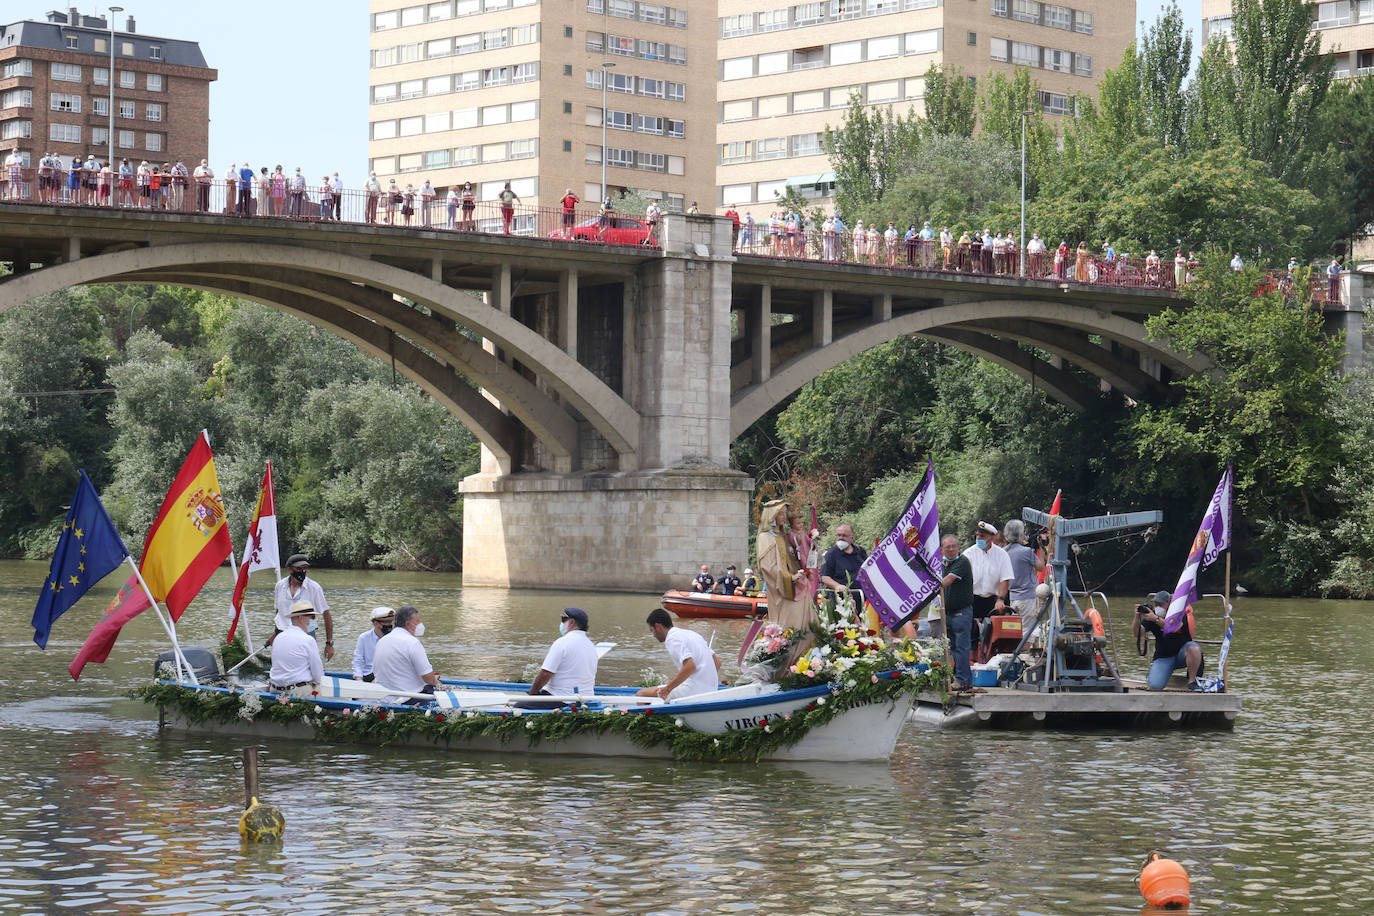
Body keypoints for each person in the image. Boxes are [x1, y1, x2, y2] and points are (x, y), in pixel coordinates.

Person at [755, 500, 816, 663]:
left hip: (796, 584)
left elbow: (795, 556)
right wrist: (789, 578)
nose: (784, 517)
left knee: (808, 624)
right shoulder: (765, 537)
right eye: (780, 513)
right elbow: (768, 567)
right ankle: (789, 666)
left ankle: (807, 663)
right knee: (792, 626)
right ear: (771, 515)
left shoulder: (783, 536)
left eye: (784, 513)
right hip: (783, 589)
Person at [636, 609, 720, 700]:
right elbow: (717, 663)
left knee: (641, 695)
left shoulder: (672, 639)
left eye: (652, 630)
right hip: (711, 690)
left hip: (693, 692)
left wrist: (668, 689)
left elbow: (690, 666)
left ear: (658, 626)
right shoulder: (693, 634)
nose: (653, 635)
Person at [1134, 591, 1204, 690]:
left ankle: (1192, 681)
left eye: (1161, 604)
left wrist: (1156, 619)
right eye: (1156, 604)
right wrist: (1137, 618)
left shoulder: (1179, 614)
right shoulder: (1152, 615)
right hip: (1164, 656)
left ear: (1169, 604)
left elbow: (1173, 627)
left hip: (1182, 654)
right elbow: (1137, 633)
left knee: (1194, 648)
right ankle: (1157, 674)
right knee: (1155, 685)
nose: (1158, 606)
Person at [271, 553, 335, 660]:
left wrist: (329, 643)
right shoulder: (280, 586)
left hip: (307, 634)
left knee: (309, 669)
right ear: (290, 569)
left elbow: (326, 614)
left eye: (304, 568)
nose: (302, 572)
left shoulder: (314, 588)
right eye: (298, 568)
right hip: (283, 634)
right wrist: (275, 634)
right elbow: (278, 612)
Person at [371, 604, 439, 703]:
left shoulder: (382, 641)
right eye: (418, 622)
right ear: (407, 624)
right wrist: (437, 682)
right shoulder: (412, 643)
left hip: (385, 698)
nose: (420, 624)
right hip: (409, 698)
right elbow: (428, 678)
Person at [964, 521, 1013, 656]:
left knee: (995, 635)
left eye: (982, 536)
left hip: (994, 599)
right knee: (970, 634)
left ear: (990, 538)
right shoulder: (968, 554)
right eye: (977, 536)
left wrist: (1001, 599)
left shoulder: (1002, 555)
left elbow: (1005, 579)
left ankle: (993, 661)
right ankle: (971, 663)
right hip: (972, 598)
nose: (978, 539)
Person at [527, 607, 598, 697]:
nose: (561, 623)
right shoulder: (590, 645)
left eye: (564, 619)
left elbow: (546, 673)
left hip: (560, 698)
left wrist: (532, 694)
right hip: (586, 698)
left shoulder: (562, 642)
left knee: (519, 705)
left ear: (572, 623)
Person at [939, 534, 975, 690]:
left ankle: (963, 680)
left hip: (961, 612)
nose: (952, 549)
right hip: (948, 613)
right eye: (948, 547)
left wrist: (927, 582)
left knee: (961, 646)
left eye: (954, 546)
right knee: (953, 647)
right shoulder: (942, 564)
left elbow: (946, 582)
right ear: (942, 549)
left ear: (959, 548)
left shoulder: (962, 562)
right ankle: (956, 678)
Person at [269, 600, 324, 690]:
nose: (314, 621)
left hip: (275, 689)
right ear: (301, 618)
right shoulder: (308, 640)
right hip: (298, 691)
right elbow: (318, 675)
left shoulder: (279, 637)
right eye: (312, 617)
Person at [1002, 520, 1044, 633]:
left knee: (1015, 631)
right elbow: (1040, 567)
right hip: (1028, 598)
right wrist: (1042, 549)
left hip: (1013, 598)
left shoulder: (1003, 552)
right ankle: (1024, 651)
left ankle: (1016, 650)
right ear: (1020, 534)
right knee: (1027, 633)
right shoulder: (1026, 552)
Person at [818, 521, 868, 607]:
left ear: (852, 538)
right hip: (842, 602)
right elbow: (824, 577)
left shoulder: (860, 551)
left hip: (863, 599)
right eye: (838, 535)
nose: (841, 538)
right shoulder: (830, 554)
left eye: (844, 535)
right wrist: (837, 586)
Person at [352, 606, 394, 681]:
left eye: (390, 622)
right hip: (369, 675)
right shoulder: (364, 638)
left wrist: (377, 680)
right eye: (386, 622)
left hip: (389, 676)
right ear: (375, 623)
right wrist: (359, 680)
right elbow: (358, 661)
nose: (389, 625)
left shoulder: (395, 638)